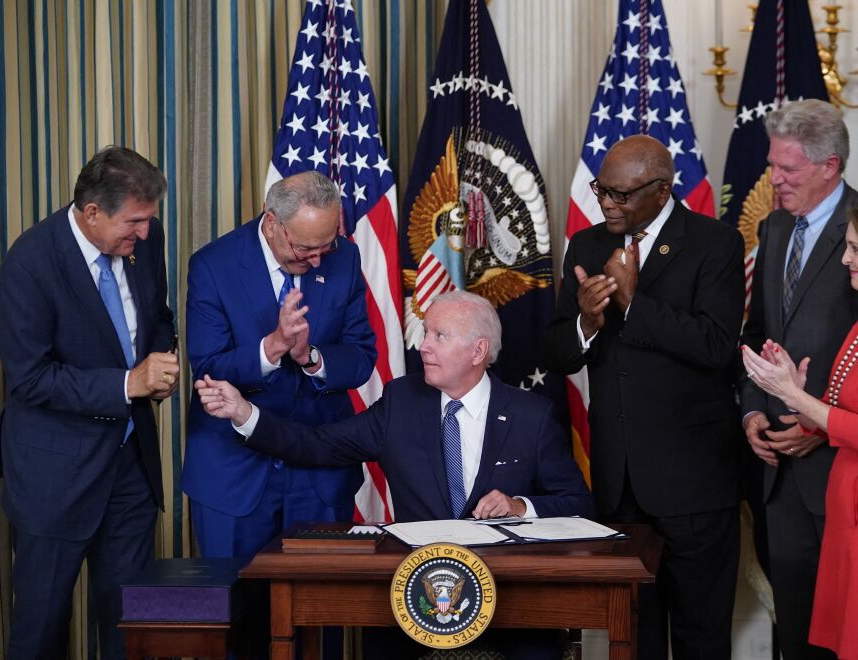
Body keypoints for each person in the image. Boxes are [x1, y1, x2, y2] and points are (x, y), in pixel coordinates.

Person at [196, 289, 592, 660]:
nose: (424, 346)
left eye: (439, 335)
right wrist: (244, 414)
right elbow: (317, 444)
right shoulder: (401, 401)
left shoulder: (530, 415)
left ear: (478, 351)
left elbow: (577, 502)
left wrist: (519, 505)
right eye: (426, 332)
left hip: (511, 605)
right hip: (411, 604)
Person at [542, 135, 745, 660]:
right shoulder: (587, 247)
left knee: (701, 637)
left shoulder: (715, 243)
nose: (608, 203)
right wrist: (587, 321)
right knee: (633, 638)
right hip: (621, 485)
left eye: (621, 194)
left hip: (695, 485)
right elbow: (560, 352)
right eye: (601, 190)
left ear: (661, 190)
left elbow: (718, 348)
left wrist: (634, 304)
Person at [0, 146, 178, 660]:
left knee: (128, 625)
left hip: (130, 470)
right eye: (134, 221)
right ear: (91, 212)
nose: (144, 233)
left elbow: (158, 314)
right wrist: (128, 384)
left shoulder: (147, 237)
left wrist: (163, 359)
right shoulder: (29, 262)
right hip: (55, 477)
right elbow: (30, 379)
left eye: (148, 221)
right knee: (41, 628)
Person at [183, 170, 376, 559]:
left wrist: (310, 356)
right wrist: (272, 347)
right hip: (235, 473)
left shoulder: (345, 258)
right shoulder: (213, 265)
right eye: (305, 248)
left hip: (319, 474)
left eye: (327, 245)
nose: (318, 257)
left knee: (321, 612)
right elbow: (208, 367)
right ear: (271, 222)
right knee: (238, 610)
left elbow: (361, 358)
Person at [739, 99, 858, 660]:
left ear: (829, 166)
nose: (774, 179)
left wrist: (817, 421)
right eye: (772, 165)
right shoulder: (774, 226)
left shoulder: (857, 229)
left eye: (788, 169)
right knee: (796, 632)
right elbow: (758, 334)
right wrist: (754, 411)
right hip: (779, 471)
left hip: (843, 467)